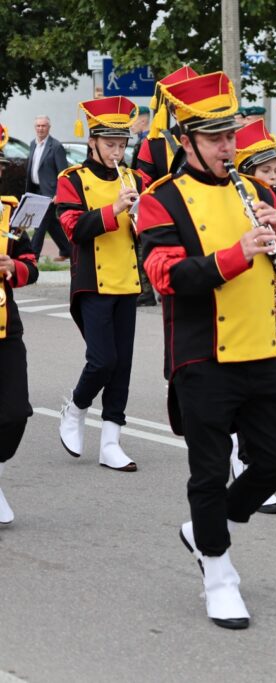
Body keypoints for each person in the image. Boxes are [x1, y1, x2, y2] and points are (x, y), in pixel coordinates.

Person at [137, 71, 276, 629]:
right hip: (202, 354)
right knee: (207, 474)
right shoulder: (161, 200)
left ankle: (206, 531)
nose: (229, 147)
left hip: (263, 346)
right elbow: (165, 275)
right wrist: (237, 252)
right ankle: (219, 573)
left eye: (231, 135)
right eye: (215, 137)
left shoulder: (255, 190)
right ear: (187, 141)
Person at [54, 96, 143, 472]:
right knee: (103, 360)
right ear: (92, 142)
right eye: (110, 144)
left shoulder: (135, 179)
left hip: (128, 279)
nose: (117, 152)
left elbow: (149, 233)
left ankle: (111, 440)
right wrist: (116, 209)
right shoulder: (71, 180)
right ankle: (75, 407)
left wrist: (144, 219)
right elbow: (75, 229)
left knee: (122, 366)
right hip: (92, 280)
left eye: (122, 145)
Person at [231, 118, 276, 513]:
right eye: (265, 171)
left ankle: (263, 462)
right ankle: (244, 462)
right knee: (250, 391)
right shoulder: (234, 199)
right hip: (244, 303)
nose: (273, 178)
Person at [133, 66, 200, 307]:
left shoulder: (213, 140)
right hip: (170, 223)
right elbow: (145, 190)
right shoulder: (153, 144)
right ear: (171, 108)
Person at [0, 124, 40, 525]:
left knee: (14, 413)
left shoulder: (9, 213)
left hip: (4, 327)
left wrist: (14, 267)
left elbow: (30, 263)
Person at [26, 115, 72, 261]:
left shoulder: (56, 146)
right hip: (36, 190)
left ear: (49, 127)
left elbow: (63, 173)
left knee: (39, 223)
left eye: (43, 126)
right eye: (38, 126)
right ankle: (68, 250)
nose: (40, 128)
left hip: (50, 193)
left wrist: (59, 193)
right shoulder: (33, 144)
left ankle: (32, 258)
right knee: (51, 223)